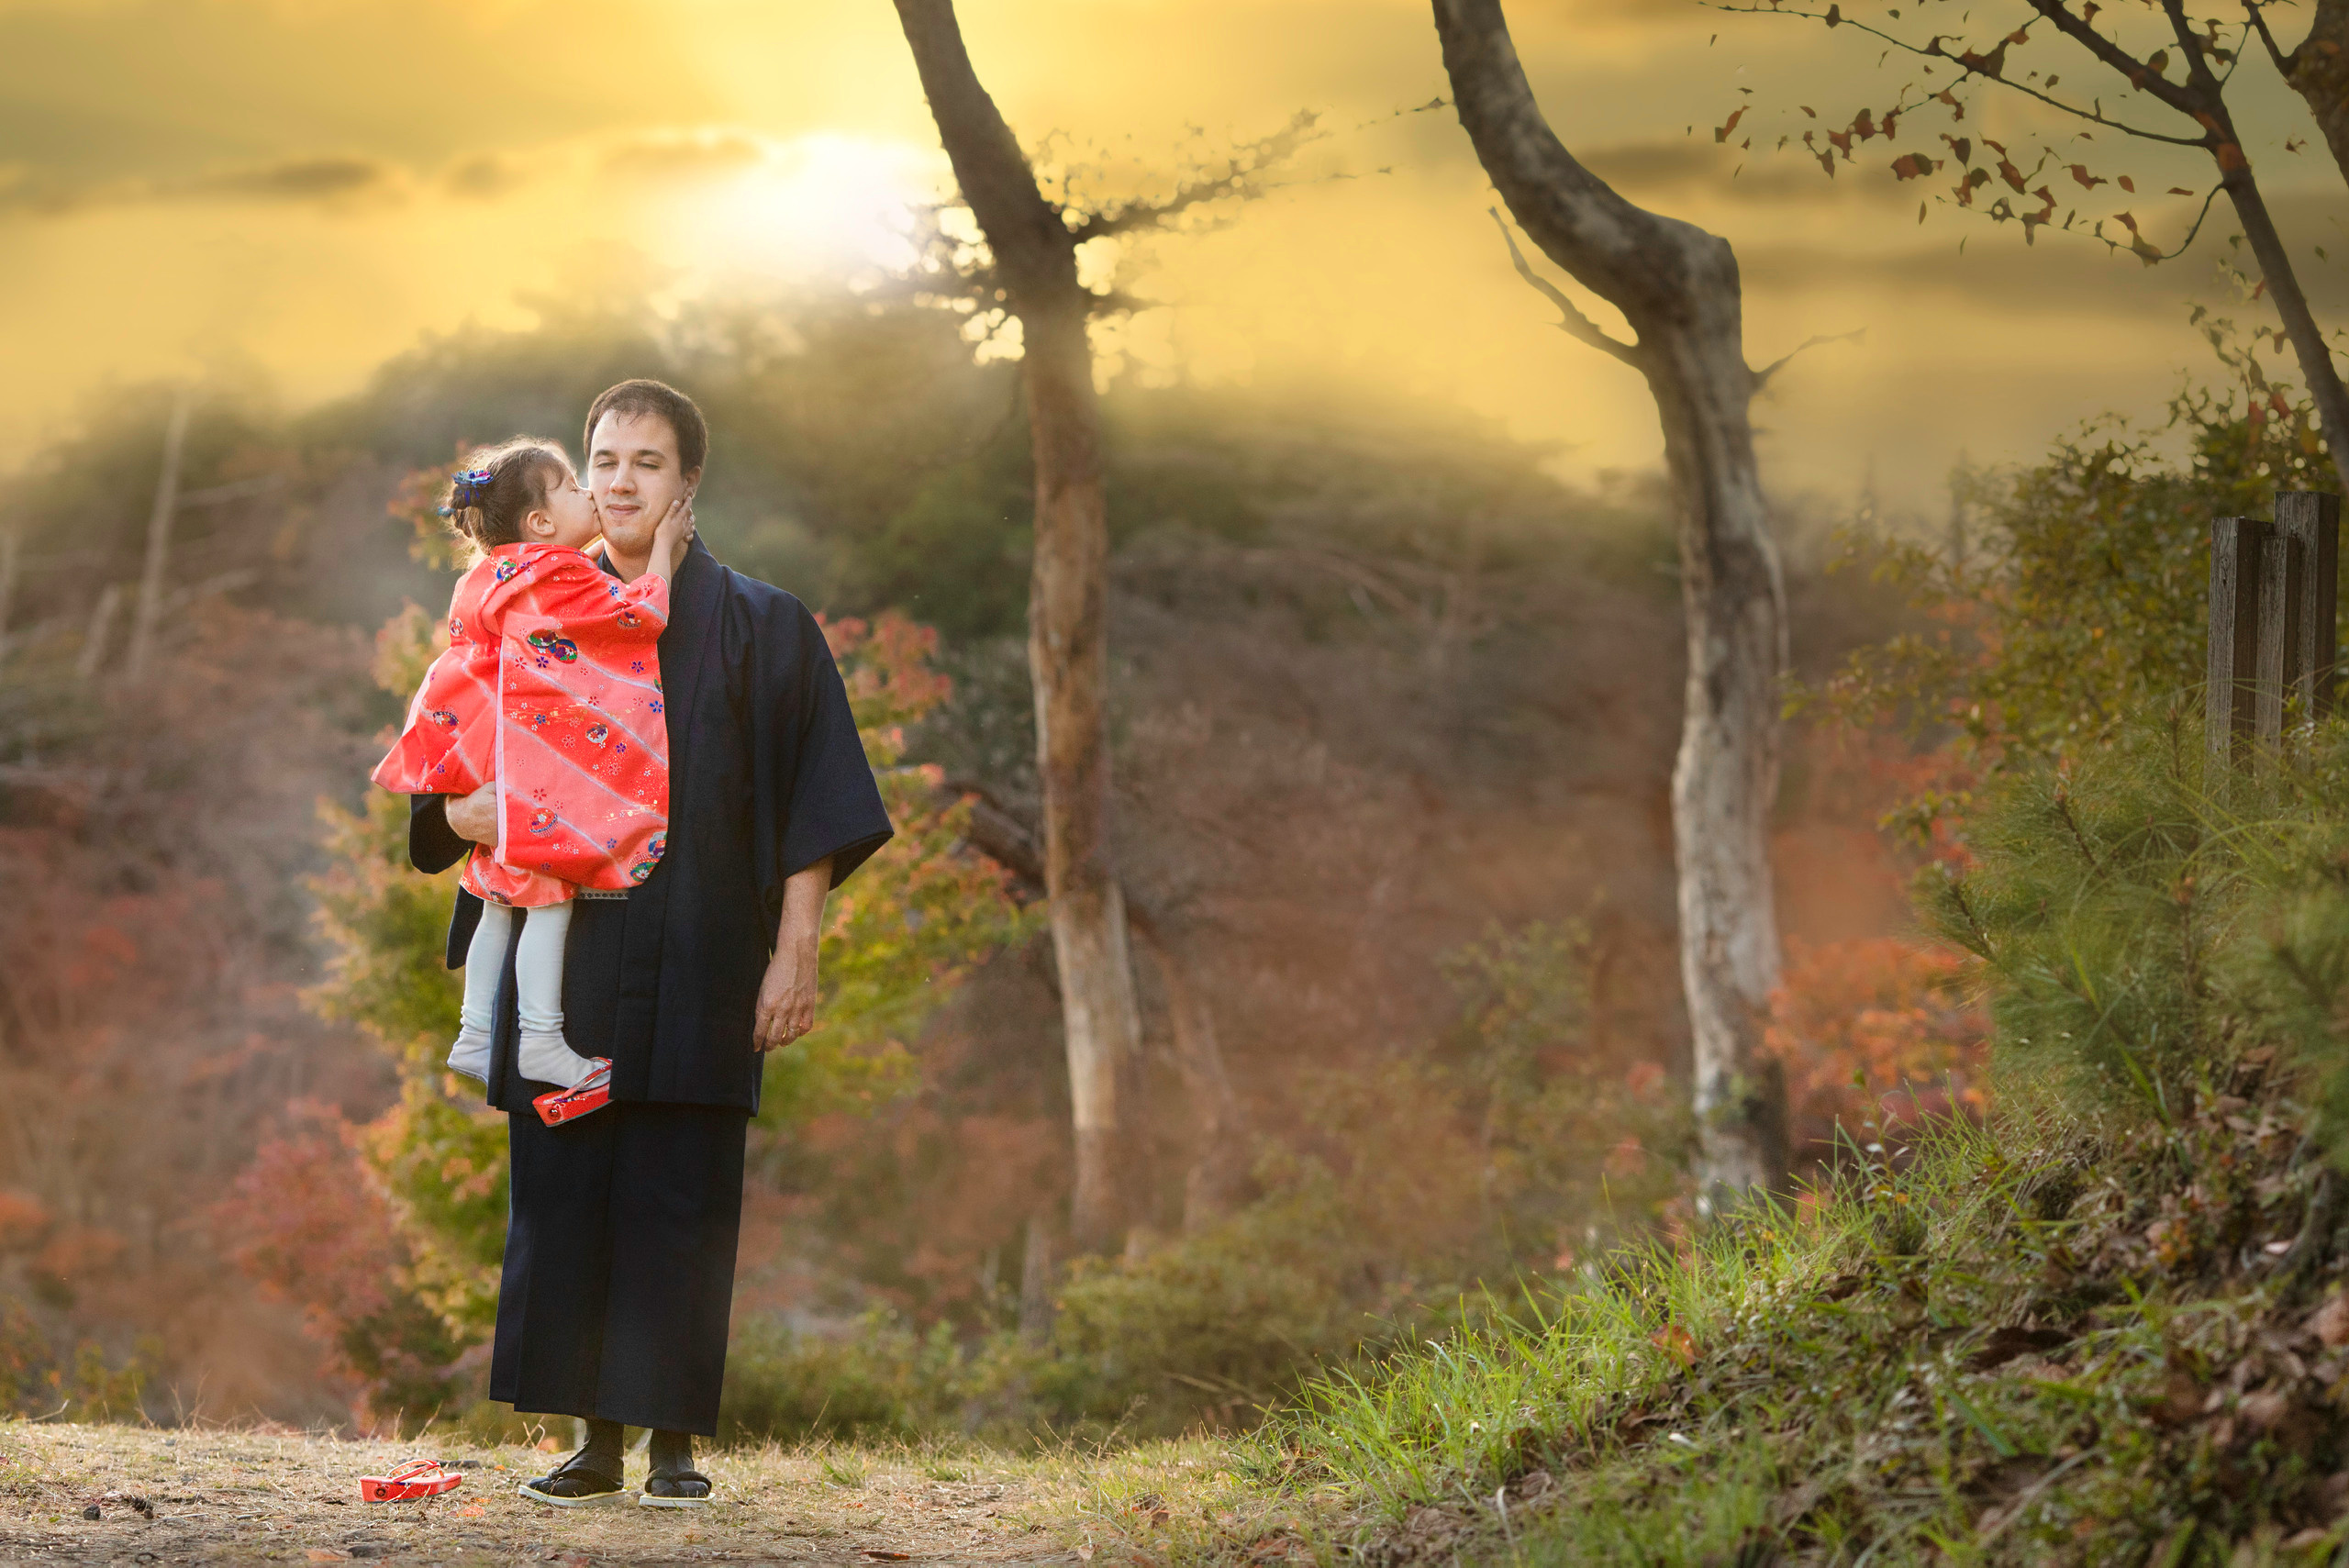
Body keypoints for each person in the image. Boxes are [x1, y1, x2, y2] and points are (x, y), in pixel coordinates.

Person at [407, 381, 894, 1507]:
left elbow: (815, 802)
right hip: (561, 947)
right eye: (604, 459)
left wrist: (797, 949)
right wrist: (463, 816)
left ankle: (674, 1439)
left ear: (688, 485)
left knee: (682, 1193)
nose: (621, 480)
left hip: (707, 947)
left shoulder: (764, 625)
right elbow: (440, 764)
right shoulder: (521, 606)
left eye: (646, 462)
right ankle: (593, 1440)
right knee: (568, 1187)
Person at [373, 439, 692, 1124]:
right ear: (541, 524)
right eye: (577, 485)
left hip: (491, 749)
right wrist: (664, 547)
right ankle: (541, 1039)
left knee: (495, 899)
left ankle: (476, 1032)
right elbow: (640, 616)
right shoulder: (560, 572)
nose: (593, 494)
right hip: (536, 768)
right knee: (547, 898)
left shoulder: (492, 575)